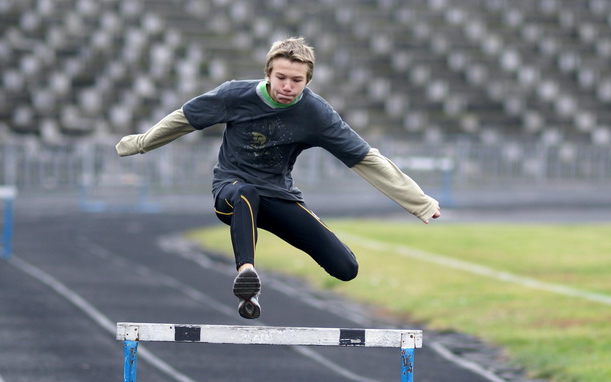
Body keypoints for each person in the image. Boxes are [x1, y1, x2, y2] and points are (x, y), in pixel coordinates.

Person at [117, 37, 440, 319]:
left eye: (296, 80)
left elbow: (366, 159)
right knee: (246, 191)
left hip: (278, 196)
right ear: (268, 74)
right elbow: (184, 119)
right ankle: (246, 274)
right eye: (281, 78)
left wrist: (419, 203)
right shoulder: (234, 95)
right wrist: (140, 143)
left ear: (308, 80)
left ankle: (251, 279)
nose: (287, 86)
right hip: (231, 191)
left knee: (346, 268)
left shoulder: (317, 114)